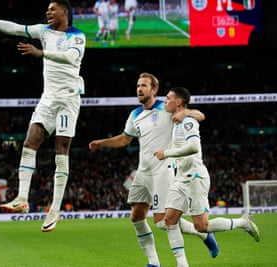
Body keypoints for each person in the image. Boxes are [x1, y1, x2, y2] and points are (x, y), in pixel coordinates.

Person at [0, 0, 86, 233]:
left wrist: (41, 53)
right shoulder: (43, 31)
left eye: (52, 9)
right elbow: (16, 28)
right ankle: (22, 198)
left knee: (61, 151)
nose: (48, 12)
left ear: (65, 12)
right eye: (47, 8)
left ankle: (55, 209)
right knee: (29, 143)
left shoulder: (77, 36)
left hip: (68, 100)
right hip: (48, 99)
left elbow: (71, 58)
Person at [89, 72, 218, 267]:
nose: (139, 89)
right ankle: (153, 262)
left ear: (154, 90)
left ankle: (204, 234)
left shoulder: (166, 108)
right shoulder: (135, 115)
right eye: (138, 85)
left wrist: (186, 112)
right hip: (143, 171)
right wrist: (102, 143)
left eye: (144, 85)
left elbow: (200, 115)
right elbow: (125, 139)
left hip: (163, 169)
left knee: (162, 222)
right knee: (136, 217)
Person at [153, 87, 260, 267]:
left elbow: (194, 146)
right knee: (169, 220)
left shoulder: (188, 121)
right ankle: (182, 264)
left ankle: (243, 222)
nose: (165, 101)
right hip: (181, 178)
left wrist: (167, 153)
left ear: (178, 102)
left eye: (168, 98)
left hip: (195, 177)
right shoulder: (176, 122)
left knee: (201, 226)